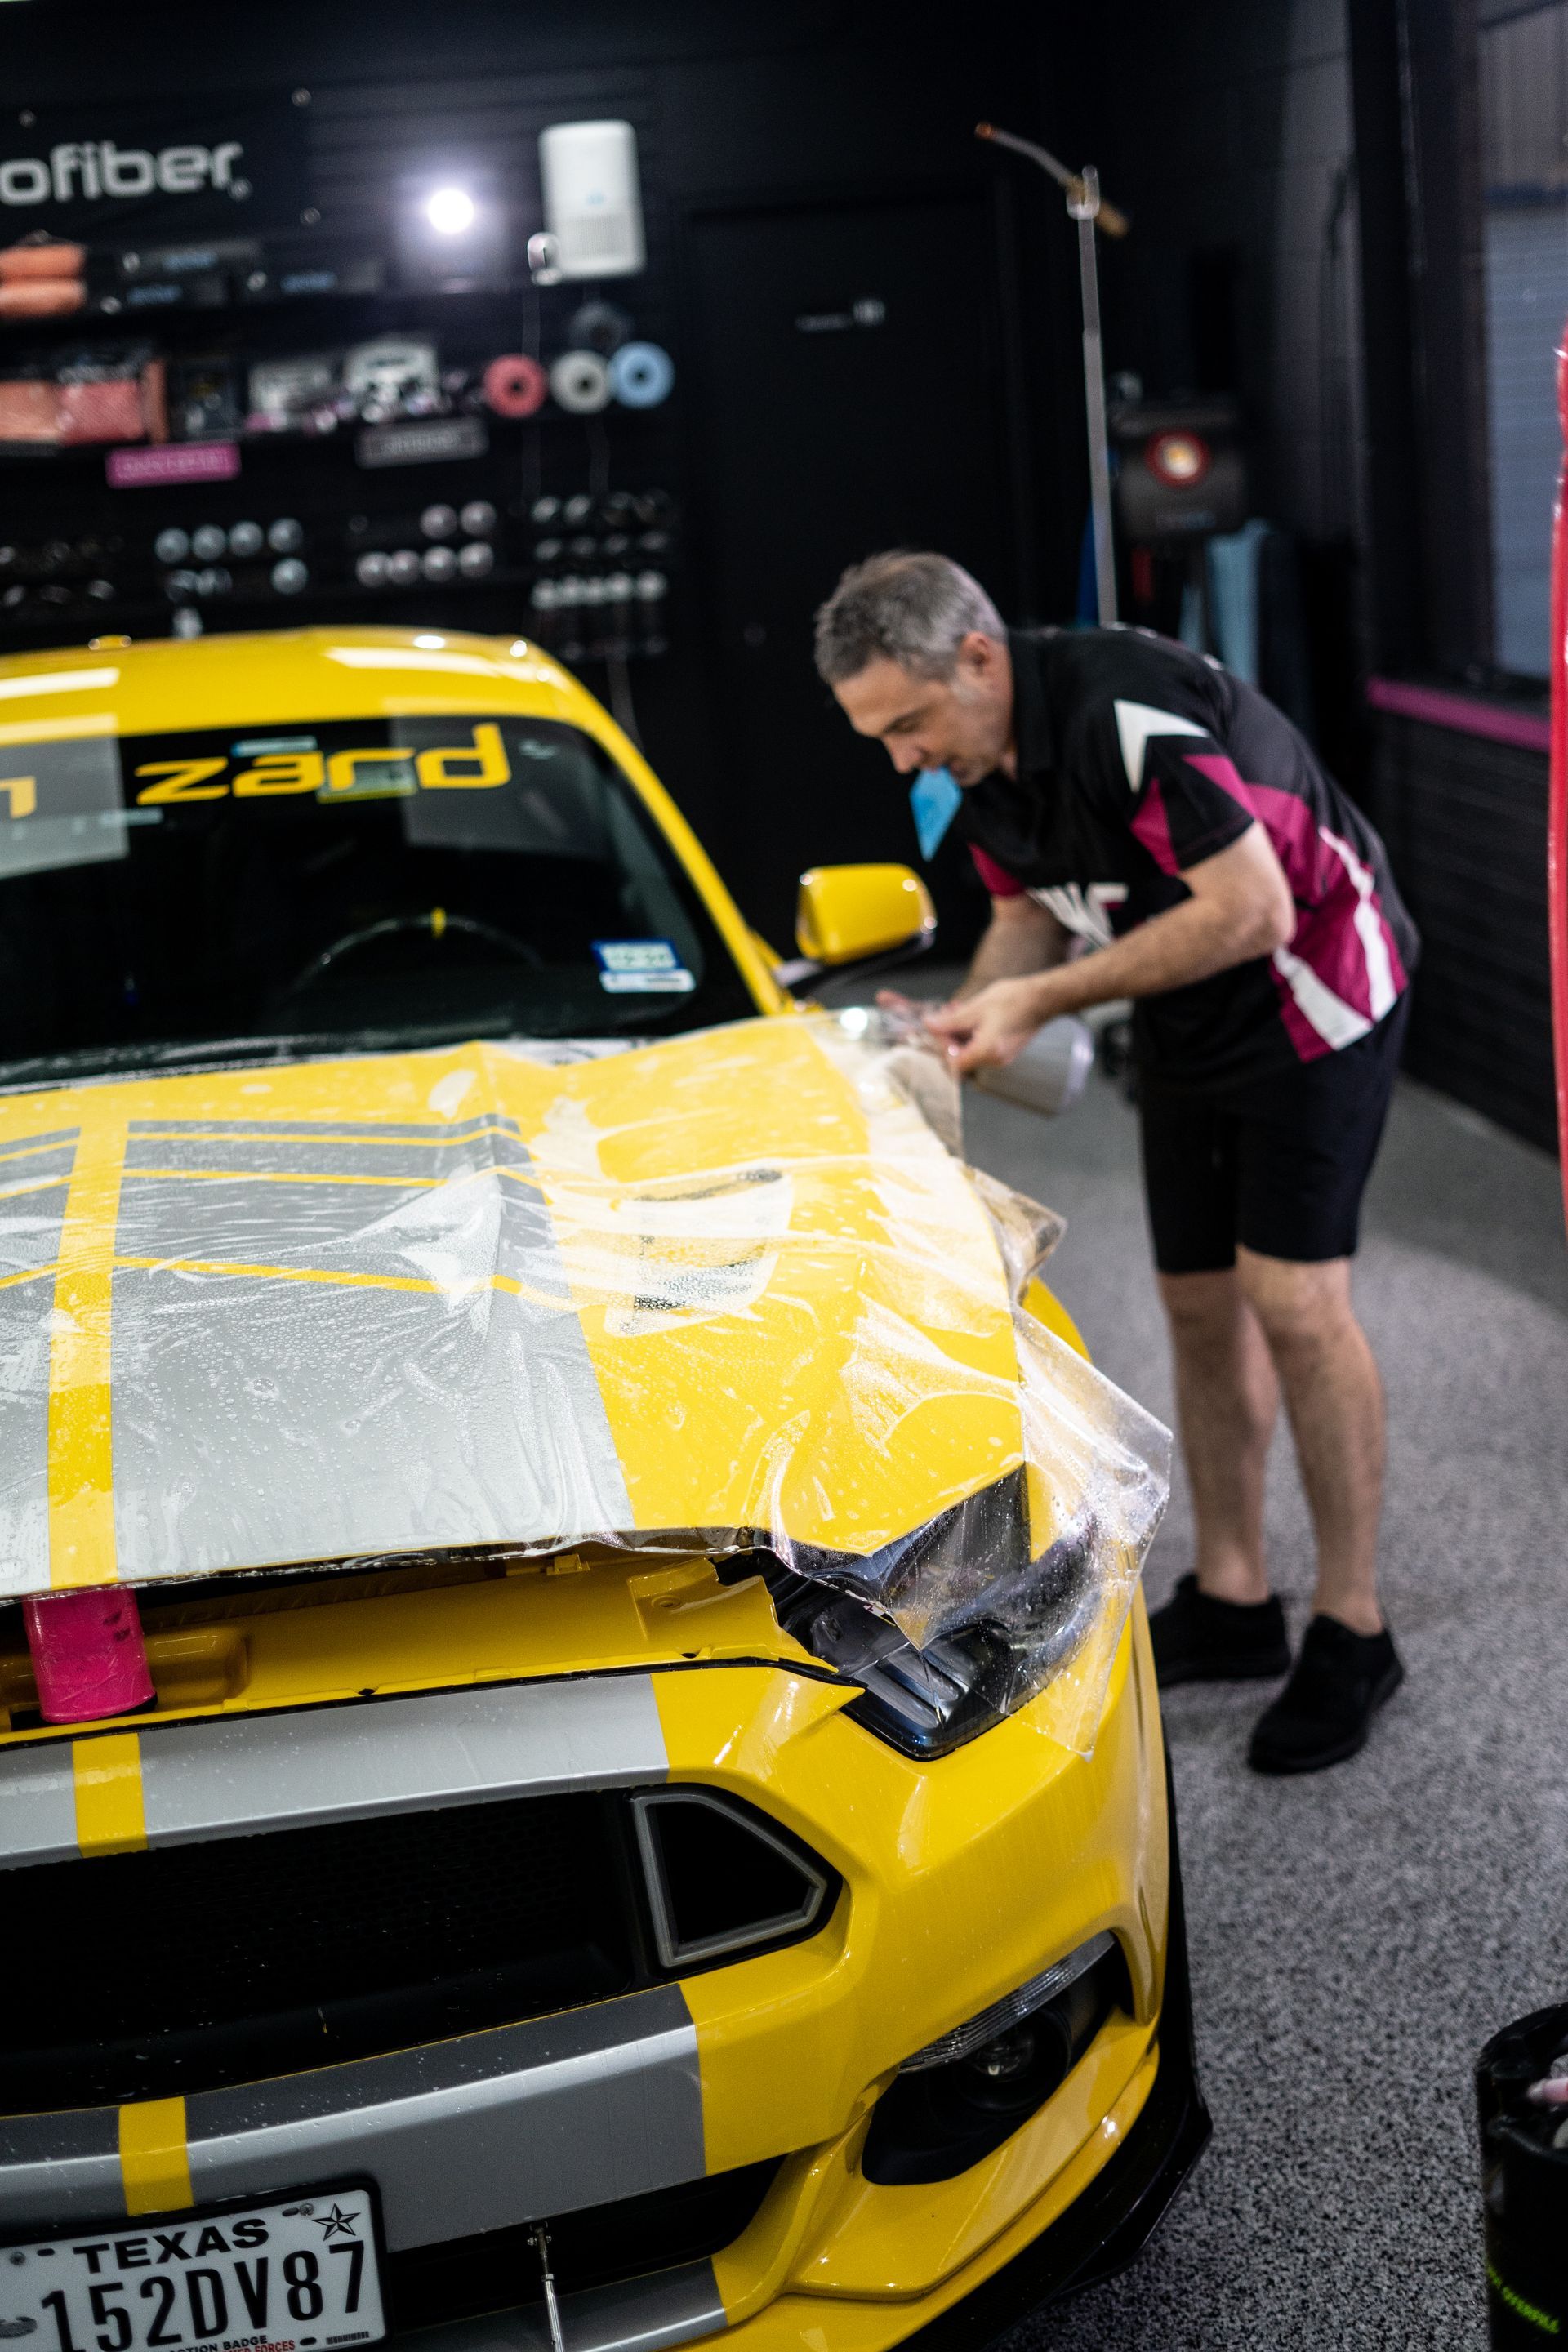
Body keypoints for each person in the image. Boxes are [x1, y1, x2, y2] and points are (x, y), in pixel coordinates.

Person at [813, 550, 1419, 1775]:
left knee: (1294, 1302)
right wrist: (962, 1017)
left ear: (978, 660)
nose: (902, 759)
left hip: (1313, 990)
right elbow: (1026, 916)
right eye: (879, 737)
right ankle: (1239, 1597)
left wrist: (1038, 1002)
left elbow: (1250, 909)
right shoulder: (976, 760)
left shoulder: (1119, 709)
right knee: (1198, 1309)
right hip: (1188, 1015)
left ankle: (1356, 1627)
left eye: (911, 723)